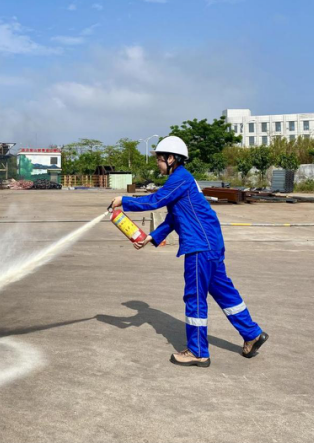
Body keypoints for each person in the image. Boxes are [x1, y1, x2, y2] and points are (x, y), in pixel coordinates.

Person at [110, 136, 268, 367]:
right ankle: (252, 334)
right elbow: (174, 216)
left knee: (194, 296)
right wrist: (151, 238)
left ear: (172, 158)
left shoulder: (180, 178)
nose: (157, 163)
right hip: (210, 243)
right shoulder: (183, 180)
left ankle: (197, 352)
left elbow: (156, 200)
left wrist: (123, 200)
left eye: (160, 159)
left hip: (199, 246)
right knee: (225, 293)